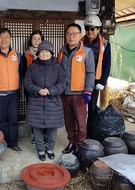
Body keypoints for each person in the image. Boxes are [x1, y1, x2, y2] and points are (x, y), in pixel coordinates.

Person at [57, 23, 95, 154]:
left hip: (80, 94)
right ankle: (71, 142)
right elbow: (58, 71)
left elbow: (90, 73)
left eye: (74, 34)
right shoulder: (61, 52)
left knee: (81, 122)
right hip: (65, 92)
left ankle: (80, 146)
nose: (71, 36)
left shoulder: (86, 52)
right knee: (69, 122)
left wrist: (88, 91)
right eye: (68, 34)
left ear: (80, 35)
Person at [24, 40, 65, 161]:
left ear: (52, 53)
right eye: (42, 51)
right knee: (37, 129)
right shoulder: (32, 67)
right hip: (36, 103)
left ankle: (50, 148)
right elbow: (27, 83)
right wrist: (38, 90)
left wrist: (50, 91)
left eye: (47, 51)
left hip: (53, 103)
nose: (44, 54)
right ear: (38, 54)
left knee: (52, 129)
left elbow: (62, 84)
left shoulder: (58, 67)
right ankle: (40, 149)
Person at [81, 15, 111, 138]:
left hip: (95, 81)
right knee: (79, 108)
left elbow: (107, 64)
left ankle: (90, 134)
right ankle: (80, 133)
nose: (89, 31)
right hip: (80, 79)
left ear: (98, 29)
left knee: (92, 108)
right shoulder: (80, 42)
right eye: (87, 28)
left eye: (92, 28)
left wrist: (102, 82)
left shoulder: (105, 44)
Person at [23, 30, 45, 145]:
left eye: (39, 39)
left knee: (45, 111)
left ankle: (45, 134)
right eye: (34, 38)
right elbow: (22, 71)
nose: (36, 41)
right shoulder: (26, 54)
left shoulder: (47, 53)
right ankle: (35, 136)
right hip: (31, 88)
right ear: (30, 40)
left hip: (44, 88)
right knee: (33, 112)